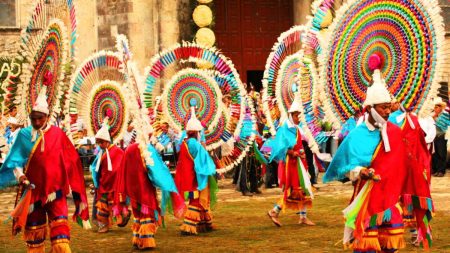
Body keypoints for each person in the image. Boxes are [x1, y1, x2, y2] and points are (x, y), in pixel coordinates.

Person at [323, 69, 407, 252]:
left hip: (390, 198)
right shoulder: (356, 136)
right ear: (369, 108)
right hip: (367, 199)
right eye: (382, 108)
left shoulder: (393, 131)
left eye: (388, 107)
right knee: (367, 246)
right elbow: (346, 166)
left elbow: (401, 165)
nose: (387, 112)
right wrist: (360, 171)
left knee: (389, 246)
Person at [0, 85, 90, 253]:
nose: (37, 122)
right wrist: (20, 177)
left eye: (40, 118)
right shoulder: (24, 135)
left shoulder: (58, 134)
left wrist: (73, 186)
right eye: (33, 118)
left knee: (61, 238)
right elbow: (15, 162)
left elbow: (71, 160)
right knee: (35, 237)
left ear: (48, 116)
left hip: (56, 192)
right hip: (33, 192)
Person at [114, 126, 184, 250]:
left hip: (132, 189)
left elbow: (123, 170)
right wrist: (166, 181)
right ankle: (146, 240)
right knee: (147, 213)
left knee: (138, 214)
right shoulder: (147, 149)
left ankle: (137, 239)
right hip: (144, 188)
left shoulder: (130, 148)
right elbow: (155, 171)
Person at [388, 102, 434, 248]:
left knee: (413, 199)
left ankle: (417, 233)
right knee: (400, 200)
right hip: (398, 166)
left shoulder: (413, 119)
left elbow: (420, 143)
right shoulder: (390, 120)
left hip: (412, 166)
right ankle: (397, 232)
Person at [266, 93, 315, 227]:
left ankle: (303, 217)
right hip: (290, 164)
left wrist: (301, 155)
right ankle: (274, 211)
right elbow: (280, 148)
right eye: (295, 115)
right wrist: (294, 153)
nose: (298, 118)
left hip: (299, 163)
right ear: (290, 115)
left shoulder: (297, 129)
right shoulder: (284, 130)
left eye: (299, 115)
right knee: (292, 190)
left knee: (303, 189)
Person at [174, 106, 218, 235]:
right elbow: (203, 159)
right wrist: (212, 167)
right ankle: (188, 226)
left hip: (187, 175)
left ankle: (205, 223)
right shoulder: (194, 144)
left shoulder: (185, 142)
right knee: (196, 200)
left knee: (201, 198)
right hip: (195, 176)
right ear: (197, 132)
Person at [90, 118, 125, 233]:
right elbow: (97, 168)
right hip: (104, 184)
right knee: (102, 206)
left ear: (107, 141)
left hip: (113, 184)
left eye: (101, 142)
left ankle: (122, 217)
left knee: (115, 204)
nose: (99, 145)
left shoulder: (117, 152)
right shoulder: (103, 152)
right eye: (98, 143)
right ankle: (103, 225)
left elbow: (117, 169)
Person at [431, 97, 449, 177]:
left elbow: (443, 125)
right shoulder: (433, 116)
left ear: (441, 108)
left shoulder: (444, 116)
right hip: (434, 137)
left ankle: (441, 170)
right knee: (436, 154)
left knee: (442, 154)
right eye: (435, 107)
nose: (435, 109)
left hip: (442, 136)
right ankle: (437, 169)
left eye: (437, 107)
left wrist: (435, 119)